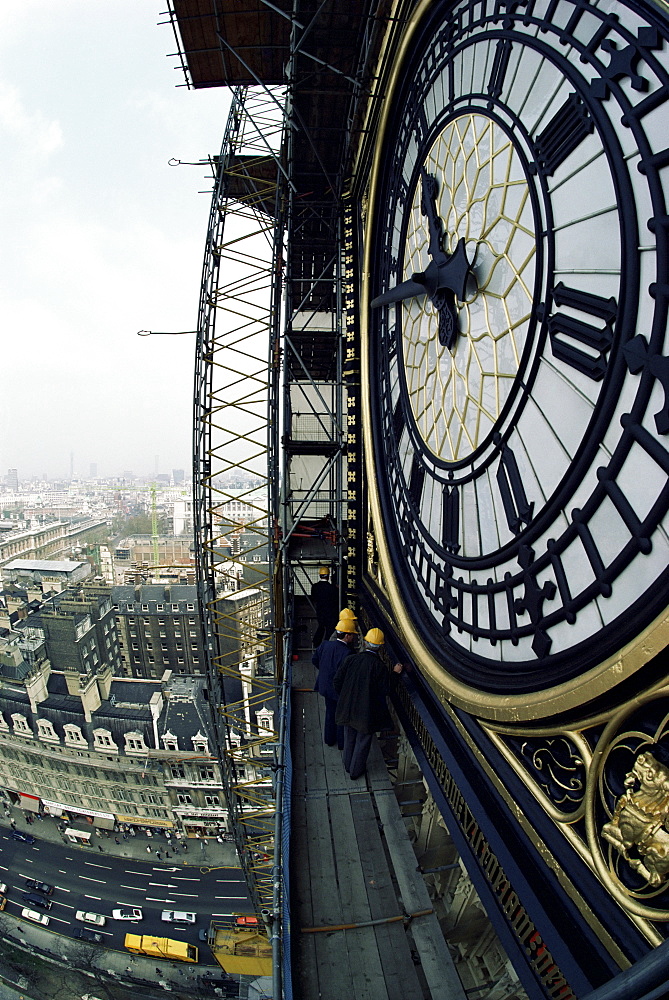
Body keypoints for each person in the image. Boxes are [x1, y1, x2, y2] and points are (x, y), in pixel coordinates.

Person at [334, 628, 403, 780]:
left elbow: (337, 681)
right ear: (380, 647)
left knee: (349, 737)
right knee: (362, 742)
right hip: (365, 712)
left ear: (365, 642)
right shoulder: (379, 666)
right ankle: (355, 772)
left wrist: (345, 697)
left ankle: (347, 765)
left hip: (348, 707)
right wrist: (395, 674)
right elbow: (386, 689)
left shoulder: (351, 659)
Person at [312, 619, 357, 748]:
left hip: (325, 686)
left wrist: (325, 671)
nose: (353, 637)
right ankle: (342, 743)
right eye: (352, 635)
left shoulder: (326, 645)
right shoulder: (348, 653)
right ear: (347, 635)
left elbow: (314, 660)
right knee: (341, 716)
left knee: (330, 713)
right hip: (339, 690)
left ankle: (329, 739)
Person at [311, 566, 339, 647]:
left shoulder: (315, 587)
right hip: (331, 611)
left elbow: (314, 598)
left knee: (321, 626)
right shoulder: (333, 588)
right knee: (330, 629)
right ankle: (327, 644)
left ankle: (316, 642)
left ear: (320, 575)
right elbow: (336, 599)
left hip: (320, 610)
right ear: (328, 576)